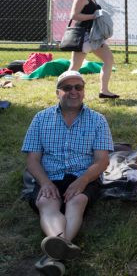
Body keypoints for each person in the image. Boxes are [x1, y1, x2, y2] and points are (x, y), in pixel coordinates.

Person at [21, 71, 113, 275]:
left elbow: (102, 161)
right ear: (57, 93)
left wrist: (83, 181)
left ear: (84, 91)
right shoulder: (40, 118)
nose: (73, 92)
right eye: (67, 88)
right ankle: (62, 249)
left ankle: (54, 253)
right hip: (50, 175)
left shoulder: (98, 120)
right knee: (46, 202)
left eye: (78, 87)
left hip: (83, 175)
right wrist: (44, 182)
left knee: (77, 201)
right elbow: (32, 160)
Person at [68, 0, 118, 99]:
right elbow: (74, 16)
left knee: (109, 60)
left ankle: (104, 91)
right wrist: (93, 16)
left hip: (94, 37)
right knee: (75, 66)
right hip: (83, 37)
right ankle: (63, 90)